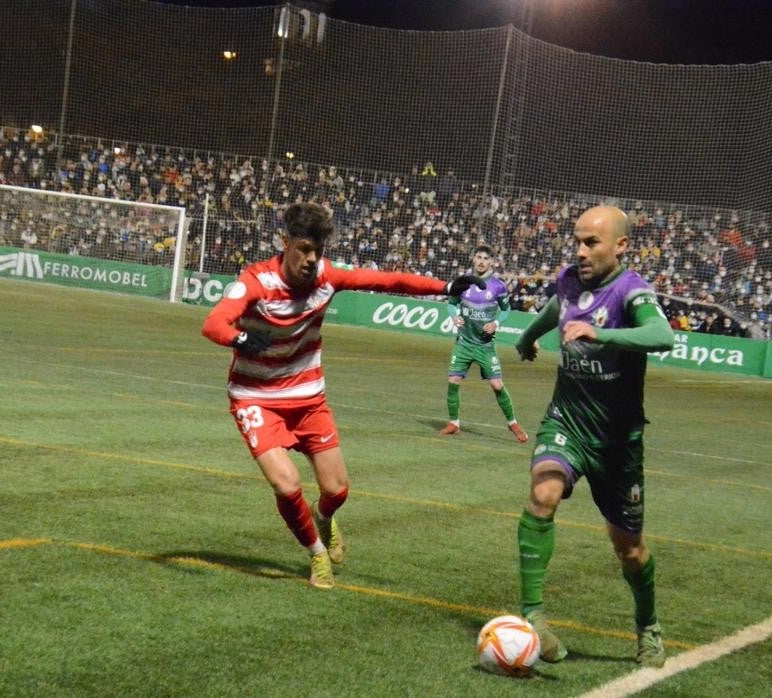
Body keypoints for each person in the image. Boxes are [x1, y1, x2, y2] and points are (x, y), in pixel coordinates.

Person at [202, 202, 484, 589]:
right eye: (303, 248)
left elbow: (387, 281)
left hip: (308, 398)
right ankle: (317, 553)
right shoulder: (256, 281)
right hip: (255, 397)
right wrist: (240, 337)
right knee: (286, 483)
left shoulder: (327, 277)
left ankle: (323, 517)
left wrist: (445, 287)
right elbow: (214, 322)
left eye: (318, 250)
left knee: (337, 490)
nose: (311, 259)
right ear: (284, 243)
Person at [513, 205, 675, 667]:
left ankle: (648, 626)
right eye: (577, 241)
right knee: (543, 494)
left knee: (630, 550)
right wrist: (527, 338)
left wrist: (603, 336)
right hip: (567, 421)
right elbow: (554, 309)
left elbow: (662, 335)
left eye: (592, 243)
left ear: (621, 246)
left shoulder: (632, 291)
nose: (580, 251)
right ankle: (533, 617)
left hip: (617, 443)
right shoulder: (569, 280)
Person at [439, 245, 528, 443]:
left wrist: (496, 323)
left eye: (485, 258)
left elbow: (506, 309)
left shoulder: (498, 286)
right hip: (463, 343)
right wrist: (454, 317)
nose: (481, 261)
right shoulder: (462, 283)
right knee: (453, 381)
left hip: (485, 346)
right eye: (478, 257)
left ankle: (512, 423)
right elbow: (451, 303)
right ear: (473, 259)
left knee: (497, 385)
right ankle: (454, 423)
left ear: (492, 262)